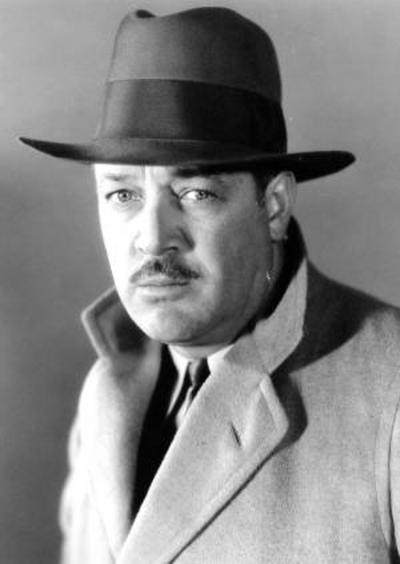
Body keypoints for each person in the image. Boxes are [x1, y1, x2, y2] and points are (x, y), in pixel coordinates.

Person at [20, 7, 400, 564]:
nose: (153, 239)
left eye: (195, 193)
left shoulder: (390, 389)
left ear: (274, 206)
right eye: (122, 195)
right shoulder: (105, 395)